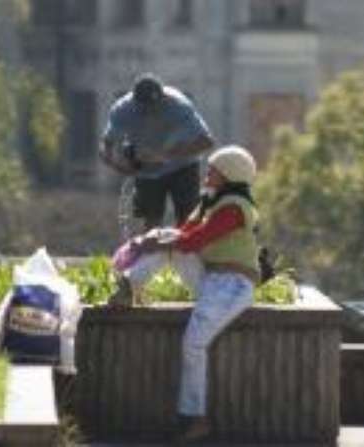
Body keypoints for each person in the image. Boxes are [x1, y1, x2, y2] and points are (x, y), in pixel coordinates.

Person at [109, 146, 260, 444]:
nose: (208, 173)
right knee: (166, 239)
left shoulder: (235, 206)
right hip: (212, 278)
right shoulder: (209, 201)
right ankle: (129, 286)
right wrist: (154, 238)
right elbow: (183, 235)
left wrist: (157, 242)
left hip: (233, 284)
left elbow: (197, 240)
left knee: (193, 343)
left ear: (229, 174)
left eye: (214, 169)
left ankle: (195, 417)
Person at [100, 73, 214, 230]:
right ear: (134, 101)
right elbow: (107, 144)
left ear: (163, 98)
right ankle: (152, 253)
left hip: (183, 165)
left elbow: (206, 141)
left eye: (155, 106)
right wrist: (117, 164)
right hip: (147, 170)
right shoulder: (122, 110)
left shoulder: (179, 106)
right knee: (151, 220)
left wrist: (165, 156)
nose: (150, 112)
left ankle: (187, 253)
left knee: (188, 217)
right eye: (144, 108)